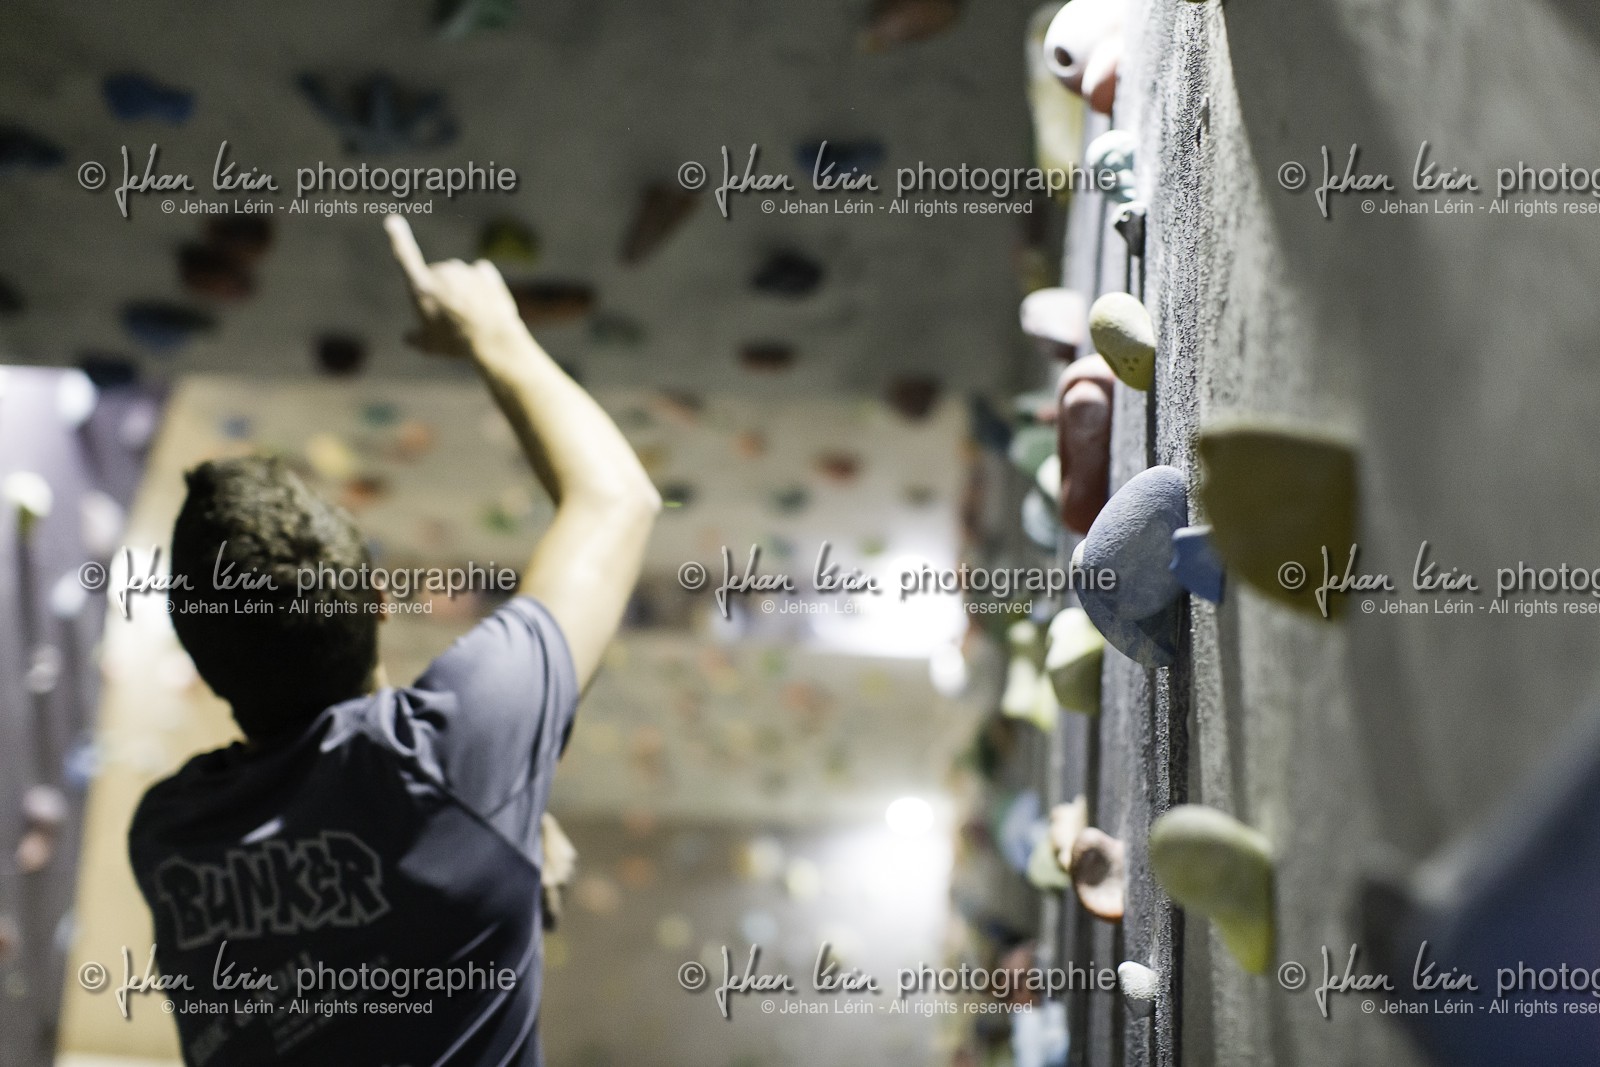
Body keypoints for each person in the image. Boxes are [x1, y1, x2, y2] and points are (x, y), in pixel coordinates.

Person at [127, 218, 660, 1065]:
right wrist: (493, 334)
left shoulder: (169, 838)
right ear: (378, 597)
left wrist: (501, 826)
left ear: (201, 661)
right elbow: (617, 500)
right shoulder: (449, 753)